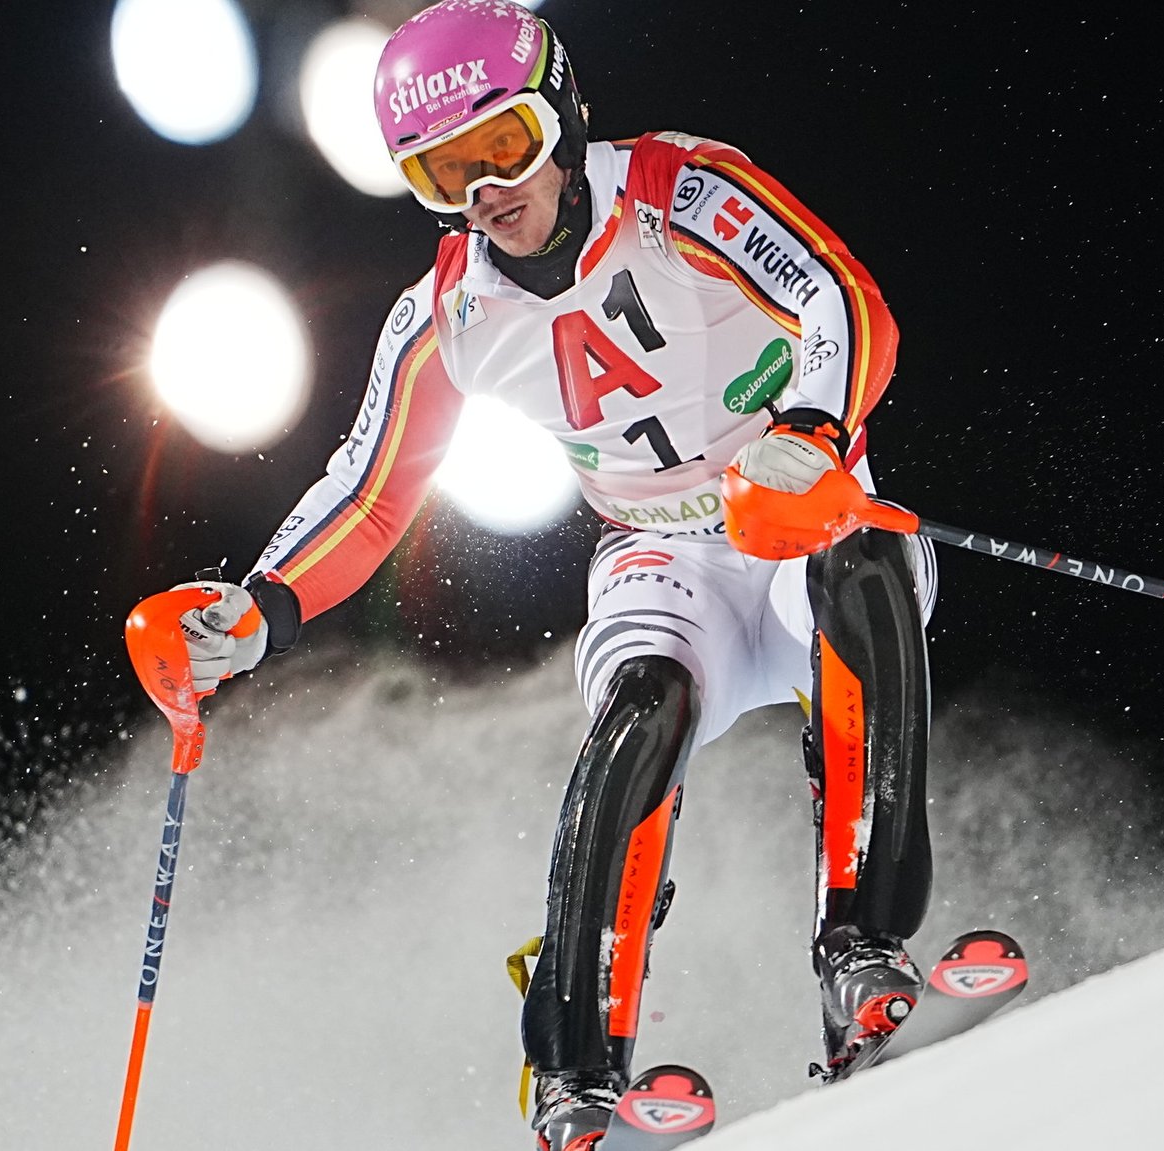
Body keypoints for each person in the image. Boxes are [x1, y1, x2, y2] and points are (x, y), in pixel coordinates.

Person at [166, 3, 935, 1146]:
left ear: (563, 115)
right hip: (655, 550)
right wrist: (259, 604)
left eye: (503, 148)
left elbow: (840, 296)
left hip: (791, 505)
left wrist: (813, 431)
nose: (486, 191)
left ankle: (861, 942)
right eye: (443, 173)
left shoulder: (683, 190)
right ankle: (576, 1064)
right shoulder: (448, 315)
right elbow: (371, 491)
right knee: (641, 710)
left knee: (862, 565)